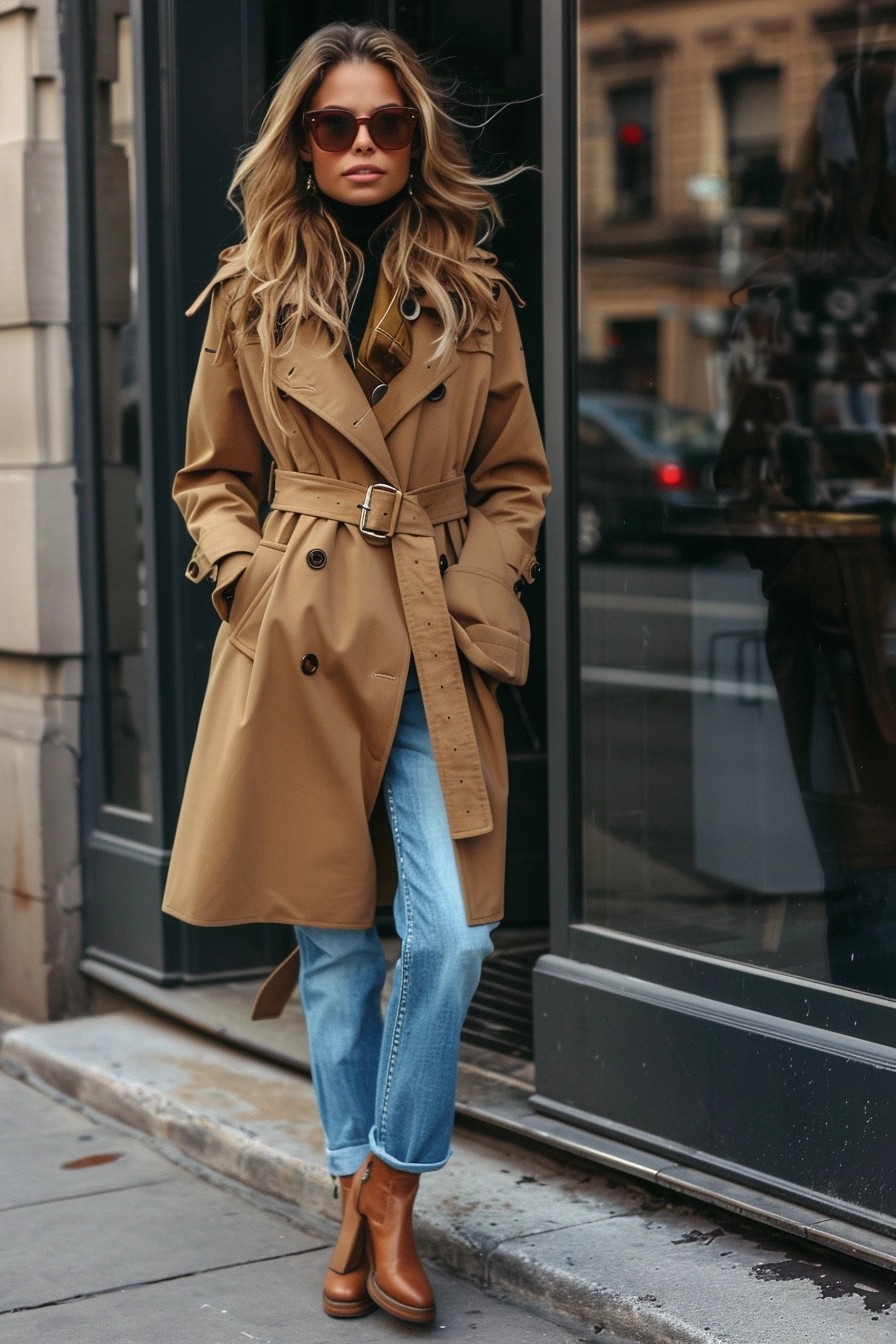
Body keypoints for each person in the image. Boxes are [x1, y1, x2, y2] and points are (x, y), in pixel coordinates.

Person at [160, 21, 549, 1327]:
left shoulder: (477, 294)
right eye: (338, 125)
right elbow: (208, 476)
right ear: (303, 142)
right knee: (334, 944)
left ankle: (388, 1184)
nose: (366, 145)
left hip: (430, 633)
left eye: (388, 124)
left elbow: (516, 482)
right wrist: (245, 575)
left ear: (418, 138)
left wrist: (482, 587)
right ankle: (358, 1204)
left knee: (452, 934)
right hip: (304, 640)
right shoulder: (248, 294)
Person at [715, 59, 896, 994]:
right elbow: (748, 489)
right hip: (852, 644)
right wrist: (833, 581)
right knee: (872, 892)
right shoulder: (792, 301)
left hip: (849, 632)